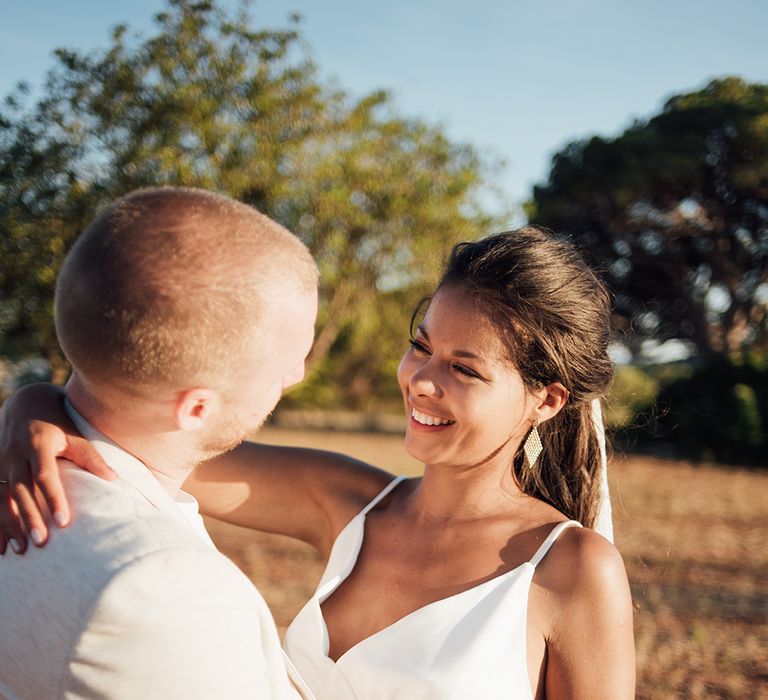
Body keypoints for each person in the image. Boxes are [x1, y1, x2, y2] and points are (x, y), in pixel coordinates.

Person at [1, 227, 635, 698]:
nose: (421, 381)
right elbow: (150, 437)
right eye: (420, 346)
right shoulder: (345, 500)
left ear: (546, 400)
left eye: (464, 369)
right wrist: (30, 406)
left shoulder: (572, 569)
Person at [0, 187, 319, 699]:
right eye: (289, 359)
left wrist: (29, 400)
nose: (297, 375)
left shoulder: (17, 452)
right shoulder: (162, 585)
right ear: (196, 408)